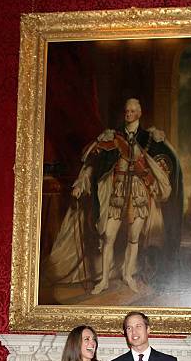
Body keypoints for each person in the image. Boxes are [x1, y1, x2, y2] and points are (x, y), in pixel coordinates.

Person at [72, 98, 183, 294]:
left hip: (139, 194)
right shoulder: (114, 137)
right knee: (108, 236)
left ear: (139, 114)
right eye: (127, 111)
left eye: (132, 111)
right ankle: (104, 280)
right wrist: (81, 184)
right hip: (118, 192)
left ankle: (128, 275)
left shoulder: (150, 138)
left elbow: (164, 165)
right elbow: (94, 163)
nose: (128, 114)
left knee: (133, 238)